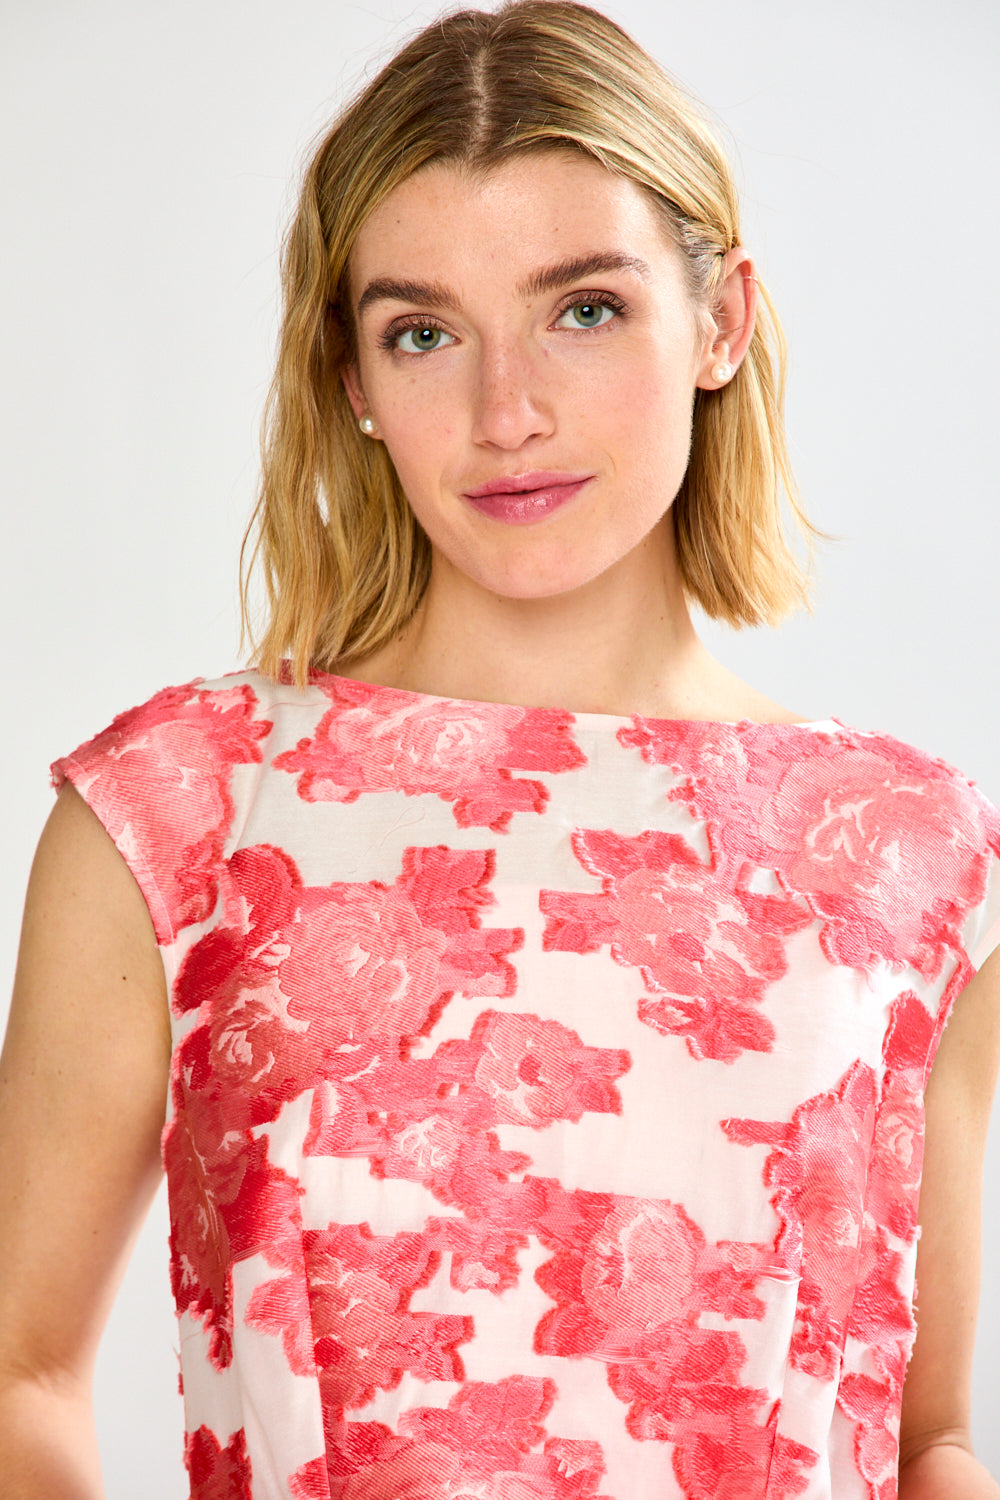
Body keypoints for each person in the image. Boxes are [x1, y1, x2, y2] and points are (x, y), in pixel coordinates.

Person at [1, 1, 998, 1496]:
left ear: (720, 319)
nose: (506, 411)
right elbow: (19, 1367)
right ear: (353, 378)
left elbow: (926, 1433)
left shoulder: (912, 852)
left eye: (582, 308)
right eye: (422, 332)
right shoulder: (182, 809)